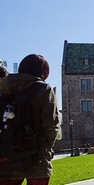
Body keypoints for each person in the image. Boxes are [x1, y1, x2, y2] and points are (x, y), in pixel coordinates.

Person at [0, 54, 59, 185]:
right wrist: (46, 151)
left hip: (7, 155)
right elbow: (51, 126)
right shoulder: (44, 89)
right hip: (35, 155)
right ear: (43, 72)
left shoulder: (4, 89)